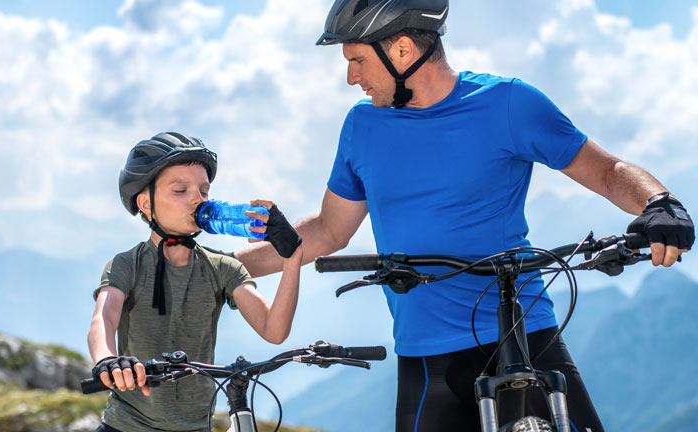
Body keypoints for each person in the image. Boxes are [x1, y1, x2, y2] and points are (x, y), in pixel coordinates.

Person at [235, 1, 695, 431]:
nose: (352, 78)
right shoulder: (363, 126)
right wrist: (227, 266)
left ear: (402, 49)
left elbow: (607, 171)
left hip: (526, 332)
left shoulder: (509, 103)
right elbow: (330, 231)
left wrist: (660, 203)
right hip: (427, 355)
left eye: (357, 60)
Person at [87, 132, 303, 432]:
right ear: (146, 204)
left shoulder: (222, 267)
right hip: (125, 426)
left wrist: (292, 256)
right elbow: (104, 318)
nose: (197, 199)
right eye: (180, 190)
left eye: (204, 190)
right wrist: (108, 361)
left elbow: (274, 329)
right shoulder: (128, 264)